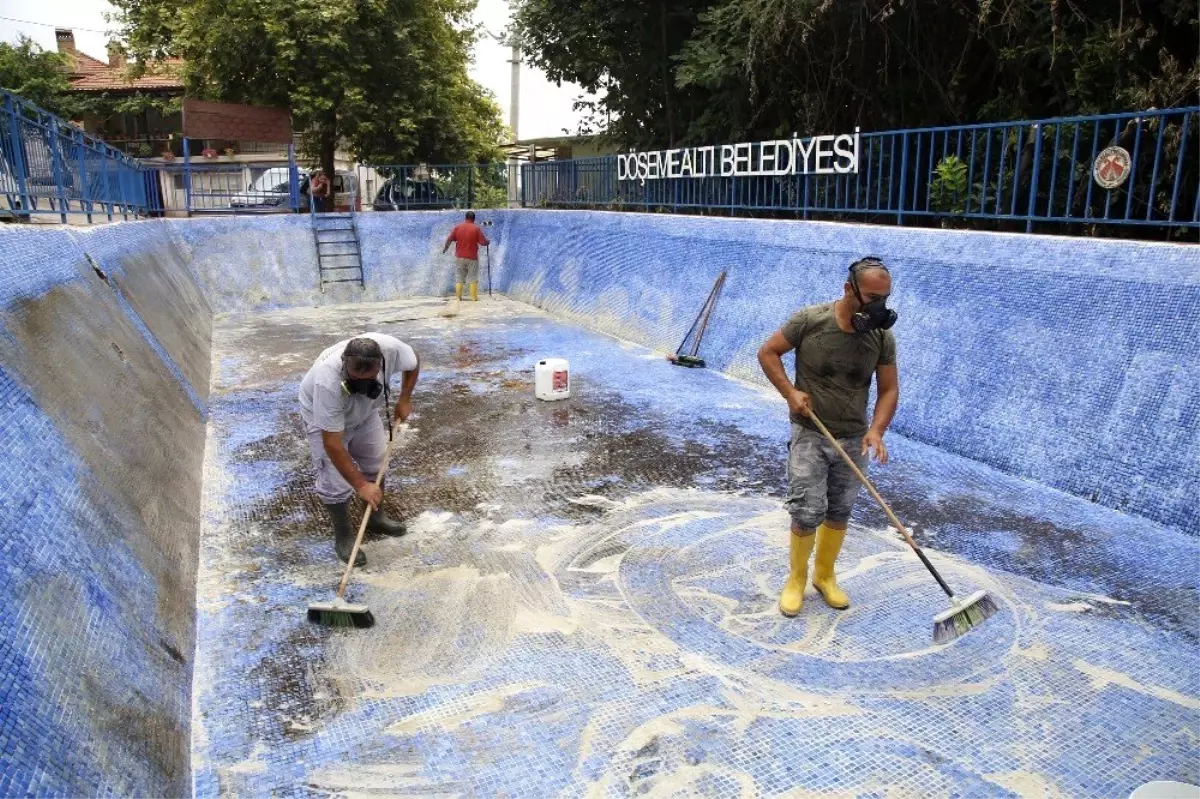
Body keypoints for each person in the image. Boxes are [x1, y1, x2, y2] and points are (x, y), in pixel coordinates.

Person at [757, 257, 900, 617]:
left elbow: (888, 389)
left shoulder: (881, 336)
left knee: (839, 509)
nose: (879, 306)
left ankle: (825, 576)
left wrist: (876, 431)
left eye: (884, 297)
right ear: (848, 289)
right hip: (811, 432)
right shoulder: (809, 321)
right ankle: (796, 580)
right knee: (807, 509)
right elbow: (768, 352)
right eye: (871, 296)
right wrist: (790, 393)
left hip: (853, 438)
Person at [298, 334, 420, 566]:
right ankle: (344, 538)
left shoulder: (391, 349)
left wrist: (405, 397)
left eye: (370, 377)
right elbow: (333, 444)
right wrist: (361, 485)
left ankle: (375, 518)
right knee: (334, 479)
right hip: (322, 418)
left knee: (377, 461)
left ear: (380, 363)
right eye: (356, 378)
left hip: (365, 413)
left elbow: (413, 362)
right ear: (344, 363)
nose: (363, 384)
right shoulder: (327, 382)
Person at [442, 211, 490, 302]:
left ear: (465, 218)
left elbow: (449, 239)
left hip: (460, 257)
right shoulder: (476, 229)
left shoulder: (458, 227)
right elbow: (483, 242)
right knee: (473, 278)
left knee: (459, 278)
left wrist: (445, 249)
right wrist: (487, 242)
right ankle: (474, 298)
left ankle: (458, 297)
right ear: (474, 219)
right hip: (472, 258)